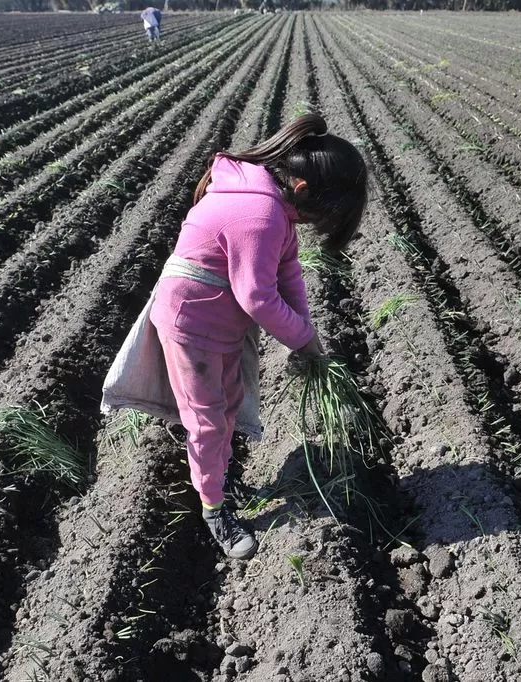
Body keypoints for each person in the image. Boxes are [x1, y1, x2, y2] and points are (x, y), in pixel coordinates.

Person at [103, 114, 367, 560]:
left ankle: (222, 476)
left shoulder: (272, 200)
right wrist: (303, 339)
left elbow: (288, 273)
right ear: (302, 189)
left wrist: (307, 331)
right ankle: (214, 511)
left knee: (228, 403)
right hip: (192, 324)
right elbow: (258, 298)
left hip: (218, 320)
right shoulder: (260, 214)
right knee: (207, 421)